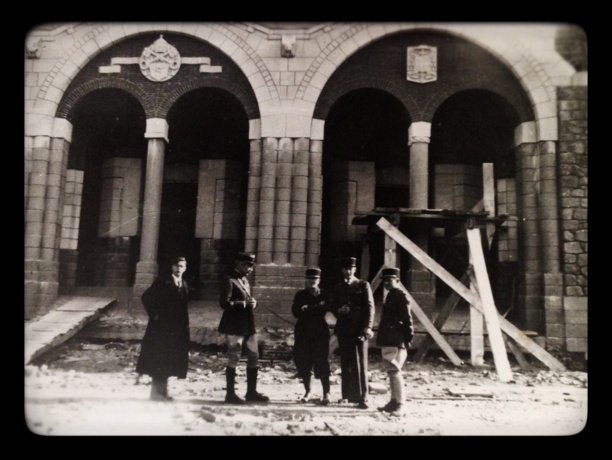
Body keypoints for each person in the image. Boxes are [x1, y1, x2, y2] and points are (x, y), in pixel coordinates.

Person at [136, 256, 191, 401]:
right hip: (161, 330)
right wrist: (155, 315)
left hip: (176, 330)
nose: (179, 269)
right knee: (159, 360)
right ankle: (155, 394)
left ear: (185, 268)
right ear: (172, 267)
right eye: (176, 266)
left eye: (181, 266)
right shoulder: (163, 281)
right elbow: (146, 297)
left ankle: (164, 392)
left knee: (170, 360)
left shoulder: (184, 284)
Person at [218, 251, 269, 404]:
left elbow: (246, 299)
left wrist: (253, 303)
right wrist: (244, 304)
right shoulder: (229, 280)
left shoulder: (245, 281)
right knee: (234, 356)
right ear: (240, 264)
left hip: (248, 325)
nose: (251, 269)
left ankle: (251, 392)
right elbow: (224, 303)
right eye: (248, 266)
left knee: (254, 356)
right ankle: (230, 394)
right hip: (234, 325)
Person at [330, 256, 375, 409]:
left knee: (360, 363)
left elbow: (369, 307)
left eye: (351, 269)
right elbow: (332, 305)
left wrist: (368, 327)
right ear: (342, 270)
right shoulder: (338, 287)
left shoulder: (363, 285)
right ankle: (347, 396)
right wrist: (338, 310)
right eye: (345, 269)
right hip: (343, 329)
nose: (348, 271)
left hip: (359, 330)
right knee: (346, 362)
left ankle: (363, 397)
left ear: (355, 270)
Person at [375, 267, 414, 416]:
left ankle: (400, 404)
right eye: (385, 281)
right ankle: (393, 401)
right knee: (391, 371)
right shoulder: (391, 295)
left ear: (397, 281)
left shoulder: (400, 296)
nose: (387, 283)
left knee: (395, 371)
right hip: (388, 338)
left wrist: (407, 339)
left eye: (390, 280)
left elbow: (407, 319)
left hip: (396, 338)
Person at [291, 268, 332, 405]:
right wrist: (314, 307)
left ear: (319, 280)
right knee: (303, 361)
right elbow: (295, 312)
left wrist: (307, 308)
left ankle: (326, 393)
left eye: (314, 279)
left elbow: (324, 309)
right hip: (302, 332)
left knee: (321, 361)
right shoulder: (300, 294)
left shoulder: (324, 294)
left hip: (320, 332)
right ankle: (308, 391)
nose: (311, 282)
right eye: (309, 279)